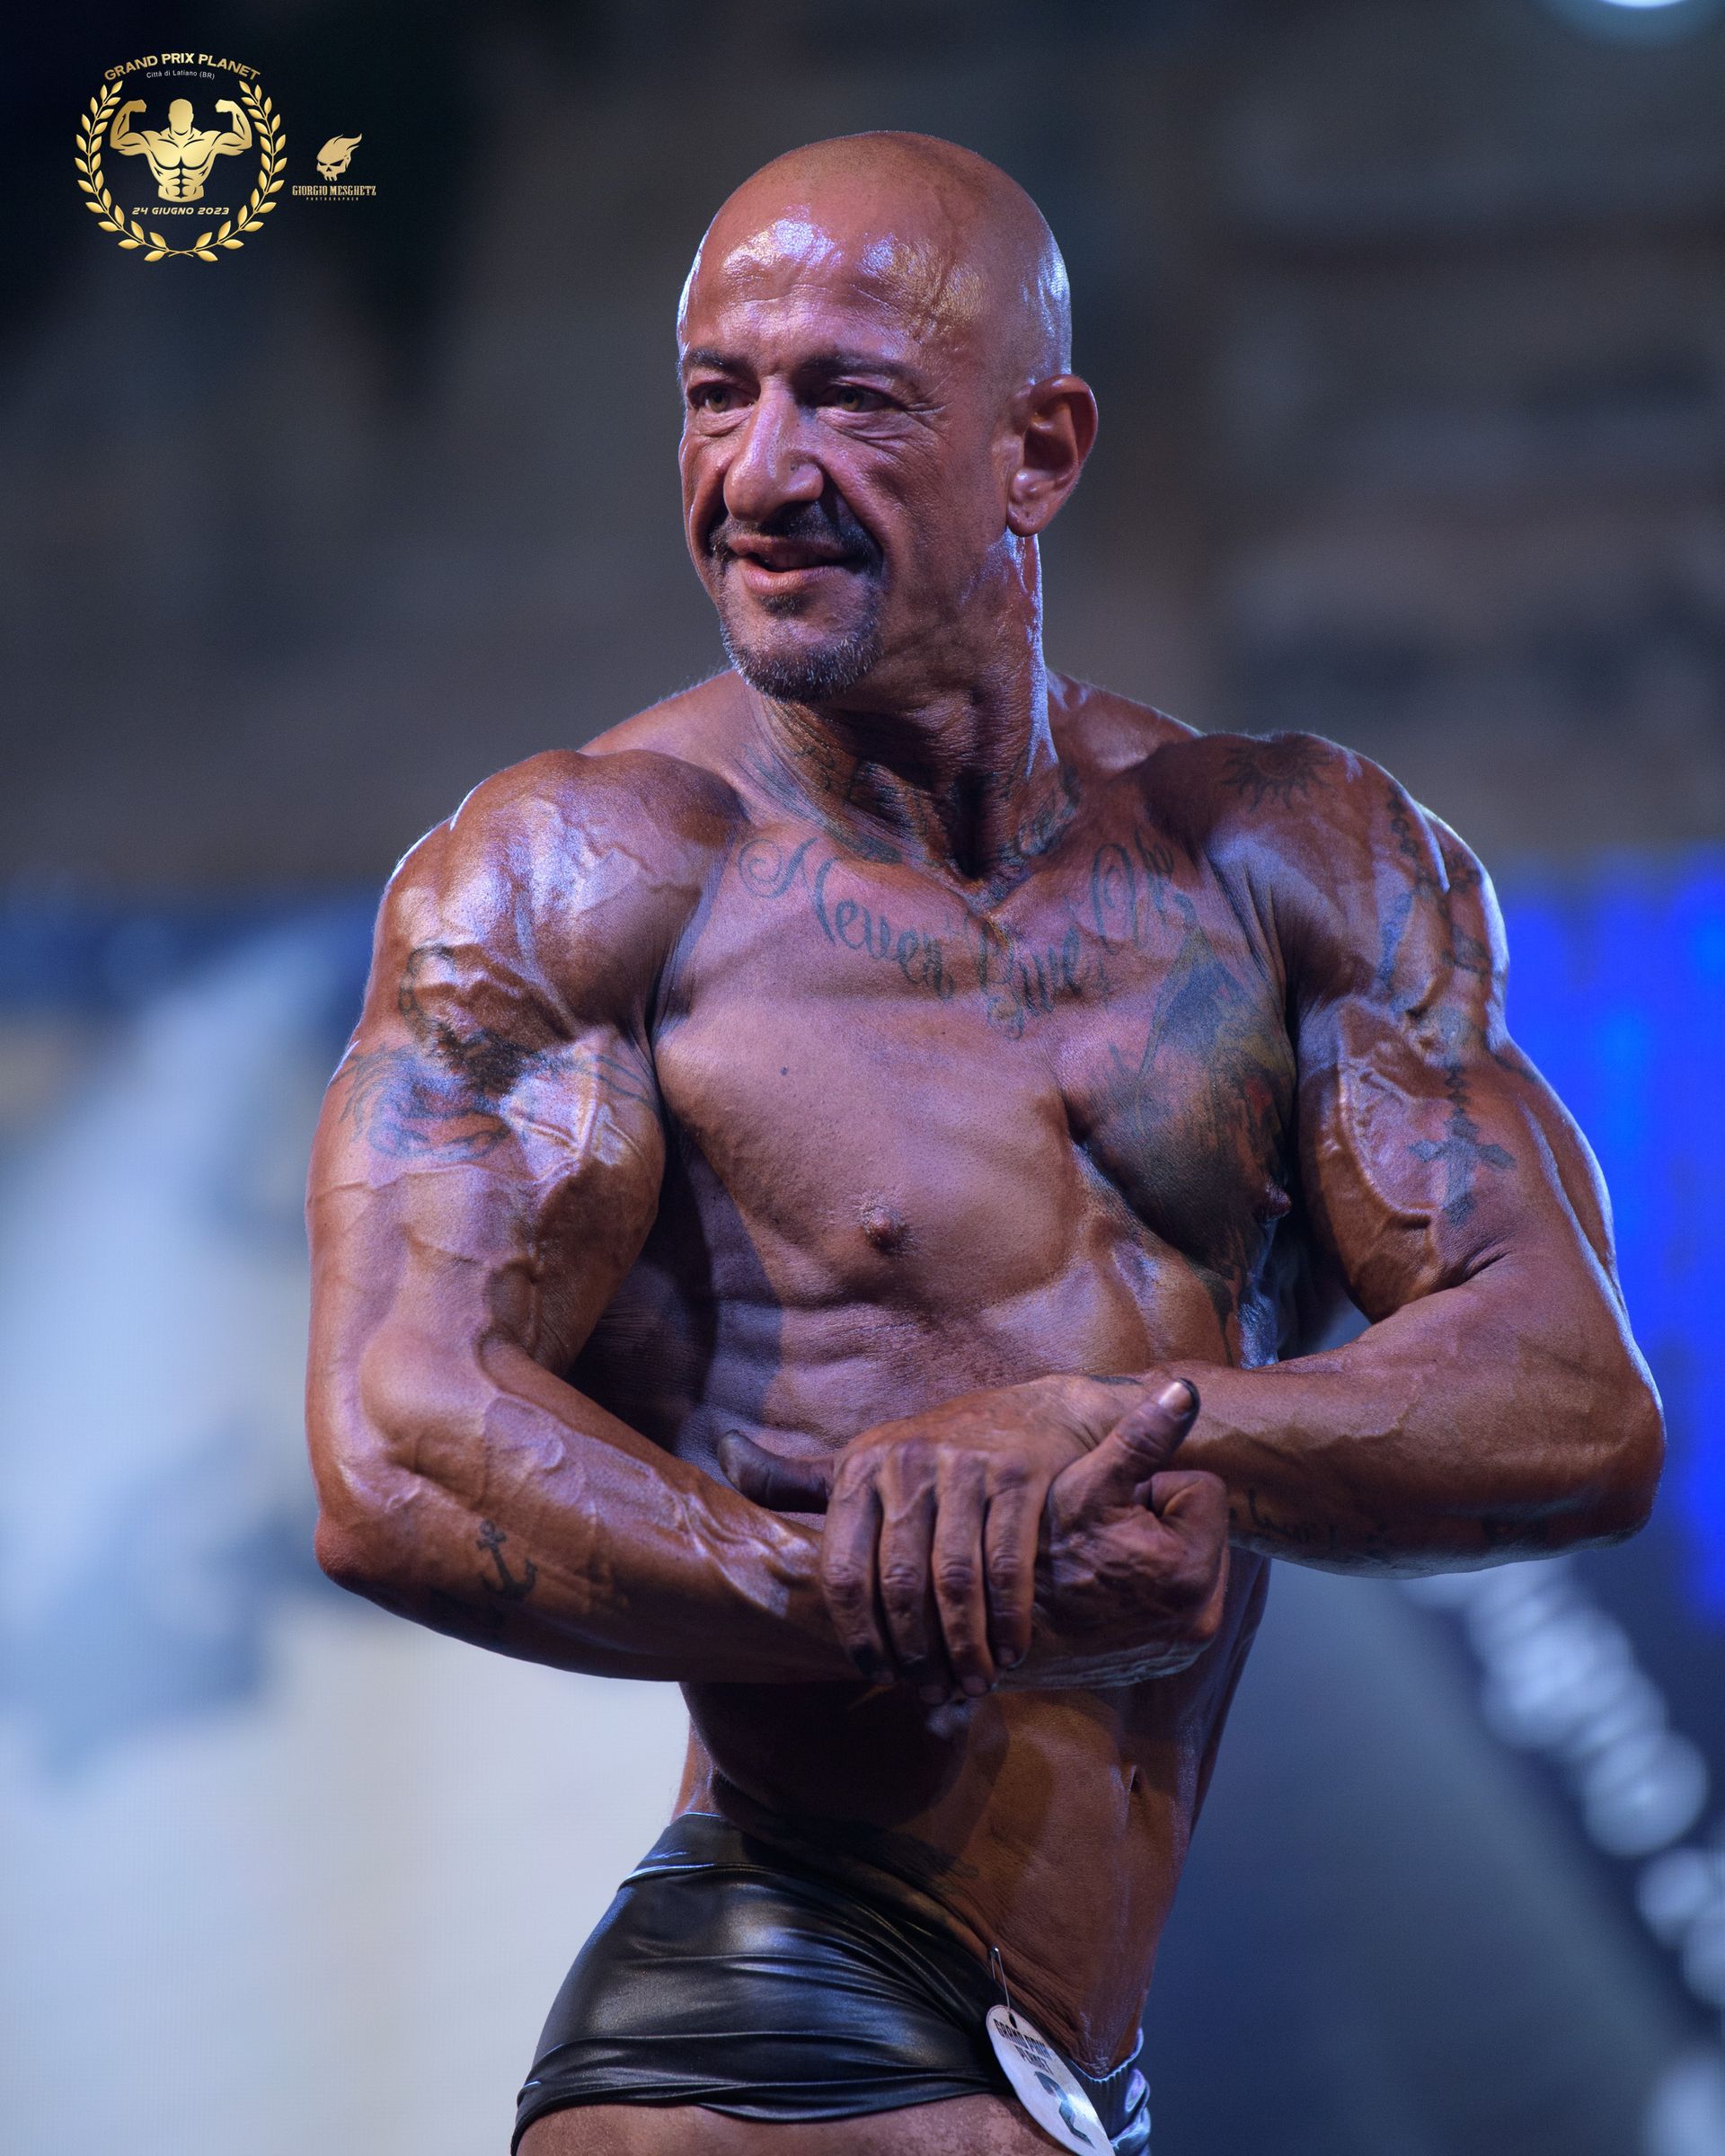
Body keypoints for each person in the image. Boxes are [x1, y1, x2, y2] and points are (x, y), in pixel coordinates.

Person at [304, 131, 1663, 2155]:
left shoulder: (1293, 859)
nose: (760, 473)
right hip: (777, 2018)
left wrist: (1146, 1428)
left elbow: (1575, 1408)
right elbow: (395, 1446)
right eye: (716, 395)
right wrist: (880, 1591)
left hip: (1066, 2062)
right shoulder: (580, 872)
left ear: (1041, 449)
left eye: (848, 398)